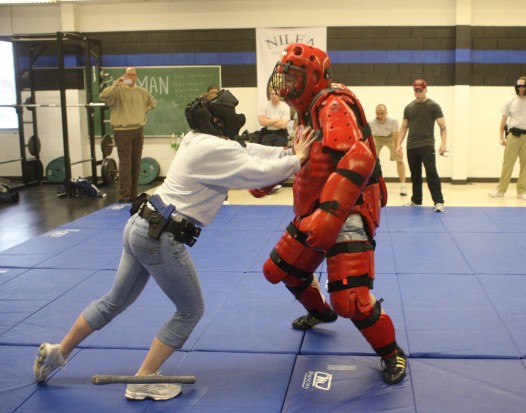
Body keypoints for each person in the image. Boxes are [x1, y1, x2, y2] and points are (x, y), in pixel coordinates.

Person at [32, 89, 316, 401]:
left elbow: (247, 150)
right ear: (218, 120)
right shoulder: (213, 149)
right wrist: (298, 159)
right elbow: (259, 173)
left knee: (114, 300)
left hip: (140, 225)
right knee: (190, 309)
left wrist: (287, 150)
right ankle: (144, 379)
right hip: (160, 237)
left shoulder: (197, 138)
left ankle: (58, 352)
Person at [259, 43, 407, 385]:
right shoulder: (306, 111)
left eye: (295, 76)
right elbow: (306, 154)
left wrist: (329, 214)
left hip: (348, 208)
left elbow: (358, 158)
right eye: (286, 75)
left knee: (351, 300)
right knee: (280, 270)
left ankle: (391, 354)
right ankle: (319, 313)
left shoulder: (333, 104)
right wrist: (268, 174)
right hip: (317, 208)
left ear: (315, 77)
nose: (287, 84)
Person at [99, 67, 156, 203]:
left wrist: (144, 110)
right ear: (124, 76)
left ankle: (133, 194)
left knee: (136, 163)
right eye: (129, 74)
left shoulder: (142, 92)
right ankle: (124, 196)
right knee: (125, 164)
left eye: (133, 75)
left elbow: (152, 103)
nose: (131, 76)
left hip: (138, 130)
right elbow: (103, 96)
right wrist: (116, 84)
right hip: (122, 131)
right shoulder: (117, 91)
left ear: (136, 77)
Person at [489, 76, 526, 200]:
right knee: (507, 163)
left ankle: (521, 191)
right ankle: (500, 190)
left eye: (523, 87)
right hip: (513, 136)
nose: (521, 89)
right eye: (519, 87)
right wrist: (501, 138)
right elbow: (503, 120)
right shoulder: (510, 101)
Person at [395, 79, 447, 212]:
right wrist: (398, 145)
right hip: (411, 146)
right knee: (415, 174)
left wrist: (443, 144)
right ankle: (416, 200)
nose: (418, 93)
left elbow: (443, 126)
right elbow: (404, 126)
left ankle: (439, 201)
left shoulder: (433, 106)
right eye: (416, 90)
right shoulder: (409, 107)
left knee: (431, 172)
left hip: (427, 145)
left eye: (420, 90)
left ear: (425, 90)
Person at [370, 104, 407, 196]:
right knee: (371, 160)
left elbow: (395, 135)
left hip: (391, 138)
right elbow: (369, 137)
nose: (379, 116)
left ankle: (403, 185)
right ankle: (372, 184)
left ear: (386, 113)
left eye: (382, 113)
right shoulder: (372, 122)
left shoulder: (393, 121)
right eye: (377, 113)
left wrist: (398, 148)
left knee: (399, 159)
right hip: (377, 138)